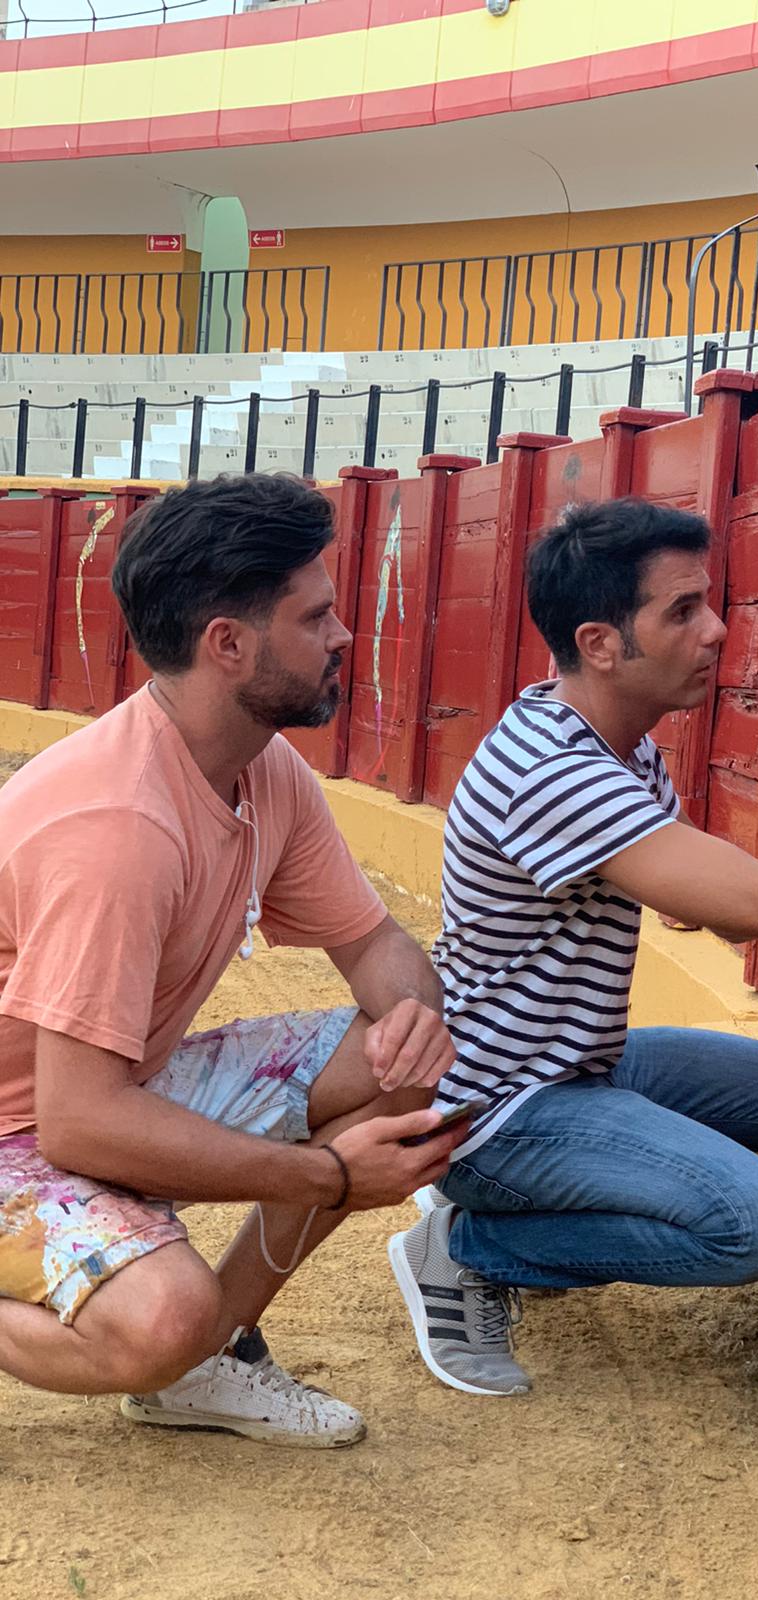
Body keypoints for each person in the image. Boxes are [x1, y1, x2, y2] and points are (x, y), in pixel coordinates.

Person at [388, 496, 758, 1396]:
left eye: (707, 602)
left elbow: (732, 916)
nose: (717, 630)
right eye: (682, 611)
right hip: (501, 1105)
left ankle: (538, 1189)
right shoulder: (555, 773)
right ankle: (471, 1244)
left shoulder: (612, 742)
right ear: (601, 643)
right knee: (755, 1222)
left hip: (575, 1063)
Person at [0, 473, 468, 1447]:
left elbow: (376, 944)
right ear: (229, 644)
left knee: (399, 1065)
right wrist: (324, 1176)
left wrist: (416, 1015)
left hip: (105, 1087)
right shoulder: (117, 829)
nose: (344, 635)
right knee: (162, 1319)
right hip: (29, 1126)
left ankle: (213, 1358)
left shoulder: (262, 767)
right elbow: (80, 1121)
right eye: (316, 616)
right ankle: (187, 1346)